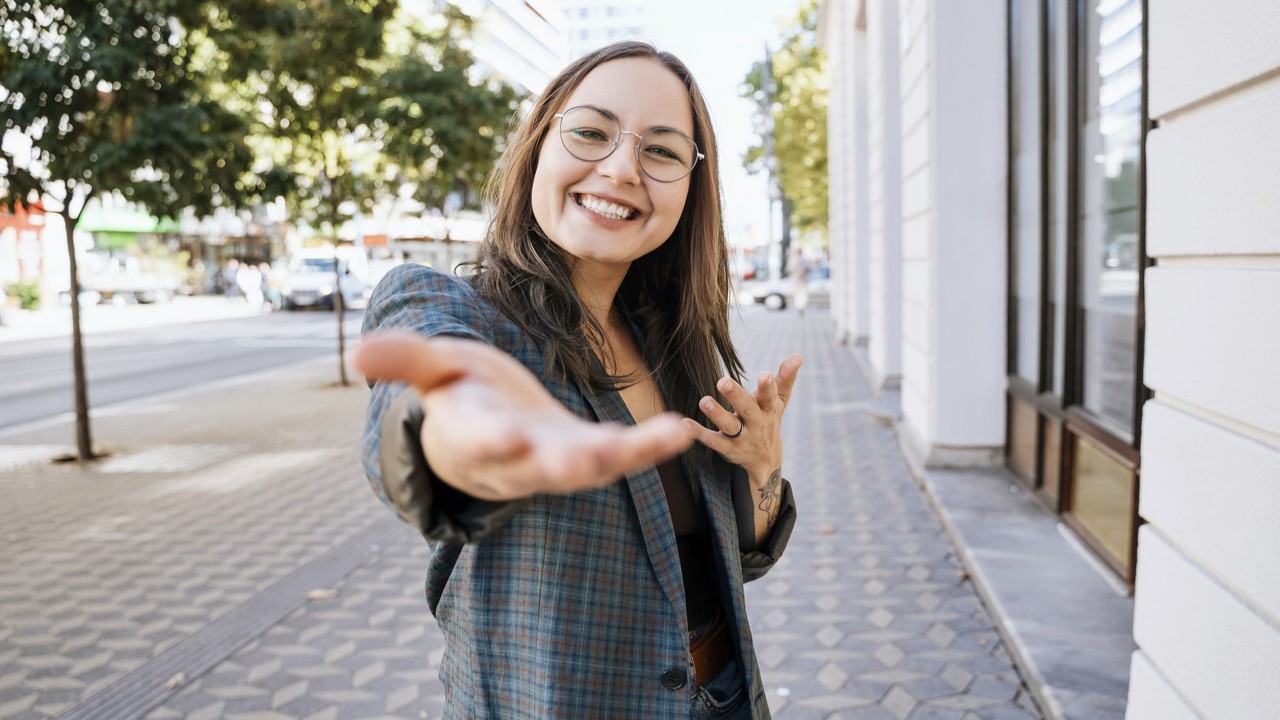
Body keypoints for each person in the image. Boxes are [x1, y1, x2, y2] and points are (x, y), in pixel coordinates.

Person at [354, 41, 802, 720]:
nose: (622, 168)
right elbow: (424, 431)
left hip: (727, 697)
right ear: (539, 145)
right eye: (591, 132)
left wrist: (763, 472)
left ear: (690, 185)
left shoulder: (672, 345)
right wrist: (469, 435)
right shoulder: (452, 312)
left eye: (662, 150)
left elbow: (735, 566)